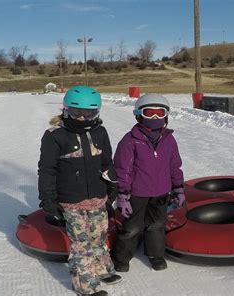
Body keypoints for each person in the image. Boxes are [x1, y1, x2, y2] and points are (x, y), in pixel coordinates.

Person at [38, 86, 122, 296]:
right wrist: (48, 198)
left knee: (98, 236)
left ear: (97, 112)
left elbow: (106, 163)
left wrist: (112, 187)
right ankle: (86, 285)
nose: (83, 118)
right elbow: (47, 169)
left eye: (90, 113)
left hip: (97, 196)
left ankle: (101, 270)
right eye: (77, 113)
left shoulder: (100, 132)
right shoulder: (55, 135)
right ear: (66, 109)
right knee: (81, 243)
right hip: (71, 200)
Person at [112, 93, 185, 272]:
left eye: (160, 113)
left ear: (166, 116)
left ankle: (155, 255)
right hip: (137, 193)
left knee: (157, 225)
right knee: (131, 227)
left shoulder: (169, 139)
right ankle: (121, 258)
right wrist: (122, 195)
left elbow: (175, 165)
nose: (154, 117)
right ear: (138, 114)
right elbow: (123, 170)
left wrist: (178, 189)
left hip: (161, 192)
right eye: (149, 112)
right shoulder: (130, 141)